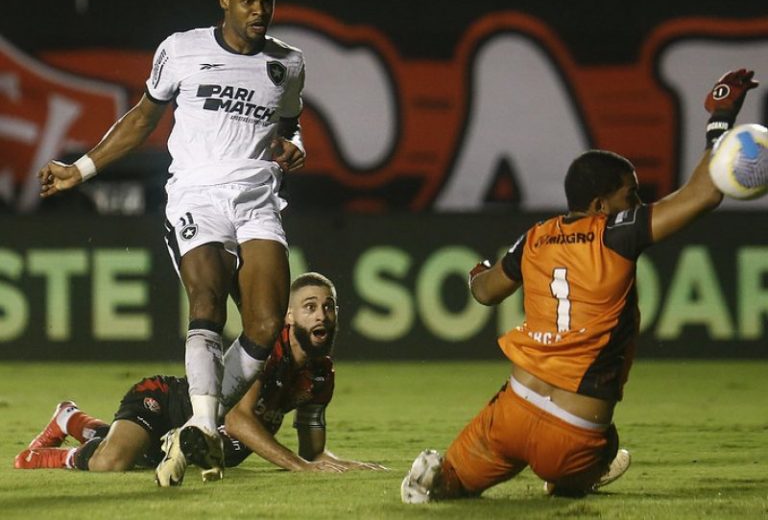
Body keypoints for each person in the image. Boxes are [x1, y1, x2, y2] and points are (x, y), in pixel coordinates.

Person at [400, 69, 759, 503]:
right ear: (599, 205)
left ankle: (435, 481)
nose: (638, 205)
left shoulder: (535, 236)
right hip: (575, 432)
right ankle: (569, 479)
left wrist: (477, 272)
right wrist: (721, 116)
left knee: (455, 486)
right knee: (605, 446)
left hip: (512, 411)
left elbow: (486, 291)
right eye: (631, 195)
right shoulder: (616, 233)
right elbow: (704, 194)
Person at [37, 0, 306, 484]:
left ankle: (192, 424)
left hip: (257, 199)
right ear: (224, 1)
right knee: (204, 300)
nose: (259, 11)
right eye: (248, 0)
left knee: (267, 325)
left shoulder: (288, 63)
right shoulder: (180, 49)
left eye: (267, 1)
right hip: (195, 195)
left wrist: (296, 147)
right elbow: (142, 119)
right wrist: (80, 169)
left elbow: (292, 124)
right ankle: (203, 425)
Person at [14, 273, 387, 482]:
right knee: (110, 463)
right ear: (288, 317)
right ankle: (39, 459)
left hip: (193, 439)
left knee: (144, 456)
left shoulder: (320, 375)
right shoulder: (267, 351)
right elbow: (239, 421)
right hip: (164, 404)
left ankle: (70, 418)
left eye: (328, 307)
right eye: (310, 307)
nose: (321, 315)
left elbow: (314, 451)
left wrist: (352, 465)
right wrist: (300, 467)